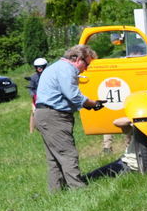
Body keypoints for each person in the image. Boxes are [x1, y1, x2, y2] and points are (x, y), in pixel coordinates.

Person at [33, 45, 104, 192]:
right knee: (67, 154)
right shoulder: (66, 69)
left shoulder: (57, 67)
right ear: (77, 59)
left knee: (54, 158)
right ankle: (79, 190)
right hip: (53, 116)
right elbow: (72, 94)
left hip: (45, 115)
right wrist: (92, 103)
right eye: (87, 64)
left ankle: (56, 192)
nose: (86, 69)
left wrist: (88, 105)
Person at [27, 57, 48, 133]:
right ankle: (31, 131)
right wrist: (33, 95)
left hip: (48, 97)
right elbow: (30, 88)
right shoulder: (33, 77)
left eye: (41, 67)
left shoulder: (50, 75)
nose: (39, 68)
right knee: (33, 113)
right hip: (37, 98)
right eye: (37, 67)